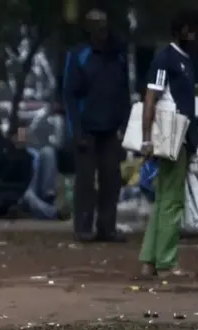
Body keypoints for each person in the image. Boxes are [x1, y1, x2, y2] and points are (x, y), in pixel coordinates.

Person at [139, 9, 198, 277]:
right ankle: (167, 261)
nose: (194, 35)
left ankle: (149, 260)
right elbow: (150, 99)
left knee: (164, 198)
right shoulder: (167, 59)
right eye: (190, 30)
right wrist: (145, 139)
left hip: (175, 136)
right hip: (172, 136)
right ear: (180, 31)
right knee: (172, 201)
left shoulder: (182, 60)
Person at [63, 9, 131, 243]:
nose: (101, 30)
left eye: (103, 24)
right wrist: (77, 132)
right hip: (87, 128)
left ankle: (107, 227)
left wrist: (124, 123)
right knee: (85, 181)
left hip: (111, 128)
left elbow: (124, 92)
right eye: (96, 25)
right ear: (88, 28)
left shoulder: (118, 55)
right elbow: (69, 96)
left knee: (111, 180)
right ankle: (83, 227)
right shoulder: (78, 55)